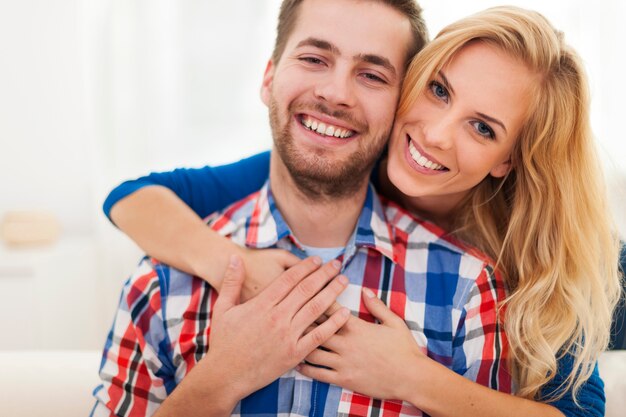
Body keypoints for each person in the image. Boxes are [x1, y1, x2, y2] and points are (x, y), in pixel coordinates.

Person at [101, 4, 623, 417]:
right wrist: (233, 266)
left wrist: (409, 375)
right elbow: (130, 197)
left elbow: (580, 413)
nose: (437, 136)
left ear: (508, 159)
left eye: (482, 127)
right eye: (438, 91)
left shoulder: (528, 255)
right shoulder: (335, 157)